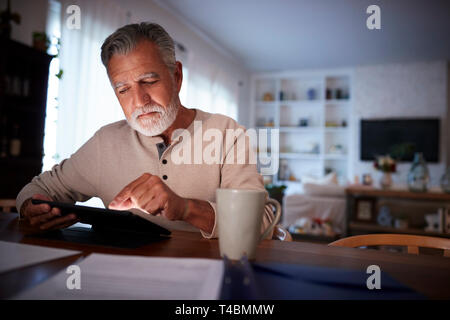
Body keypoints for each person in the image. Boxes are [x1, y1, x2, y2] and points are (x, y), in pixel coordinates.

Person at [16, 22, 274, 239]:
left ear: (177, 76)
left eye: (149, 81)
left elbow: (258, 222)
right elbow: (38, 189)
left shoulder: (228, 134)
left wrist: (185, 208)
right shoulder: (104, 143)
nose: (139, 101)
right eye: (123, 89)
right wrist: (31, 207)